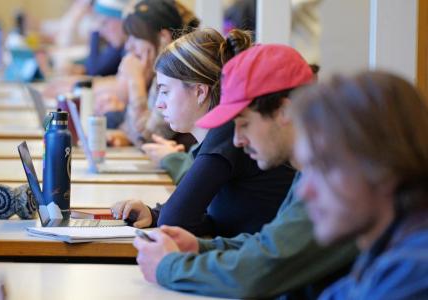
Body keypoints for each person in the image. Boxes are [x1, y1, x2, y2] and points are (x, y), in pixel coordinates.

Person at [132, 44, 357, 299]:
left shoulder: (335, 179)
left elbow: (260, 273)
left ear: (284, 111)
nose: (237, 140)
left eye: (244, 124)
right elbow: (268, 244)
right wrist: (198, 247)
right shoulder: (313, 167)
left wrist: (168, 266)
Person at [112, 28, 295, 238]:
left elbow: (175, 220)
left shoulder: (227, 132)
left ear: (199, 92)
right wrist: (154, 214)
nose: (160, 105)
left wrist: (163, 215)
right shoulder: (223, 134)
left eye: (165, 91)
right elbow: (214, 219)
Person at [291, 71, 428, 299]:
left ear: (385, 165)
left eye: (325, 167)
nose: (303, 192)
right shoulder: (385, 252)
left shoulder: (414, 269)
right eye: (307, 170)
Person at [105, 0, 198, 148]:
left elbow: (147, 138)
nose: (129, 45)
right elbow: (134, 133)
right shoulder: (160, 72)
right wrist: (126, 136)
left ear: (163, 37)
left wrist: (136, 82)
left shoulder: (177, 73)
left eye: (135, 36)